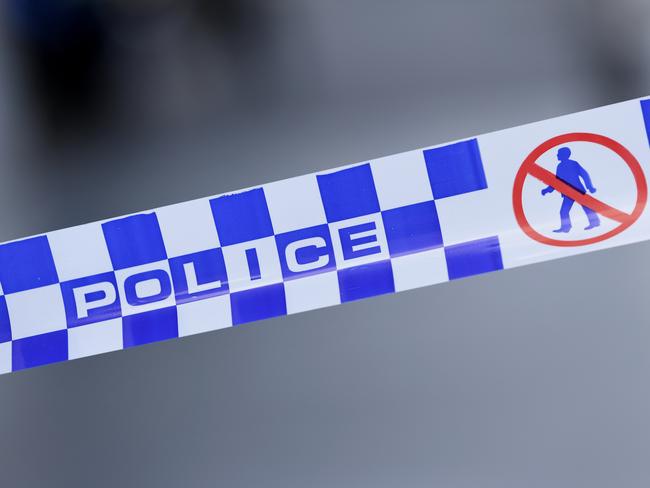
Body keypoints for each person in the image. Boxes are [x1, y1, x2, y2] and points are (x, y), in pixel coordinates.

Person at [541, 147, 600, 233]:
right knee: (564, 211)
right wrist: (547, 190)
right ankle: (566, 227)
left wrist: (589, 186)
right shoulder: (560, 166)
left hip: (578, 190)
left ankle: (594, 222)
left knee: (586, 207)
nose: (557, 155)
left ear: (564, 155)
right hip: (568, 193)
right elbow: (556, 181)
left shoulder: (573, 164)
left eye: (559, 153)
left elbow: (584, 174)